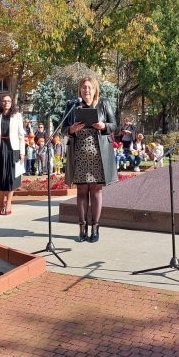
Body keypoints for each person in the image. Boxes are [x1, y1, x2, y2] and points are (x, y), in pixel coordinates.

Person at [63, 77, 118, 243]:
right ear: (80, 90)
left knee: (95, 191)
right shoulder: (72, 106)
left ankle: (95, 228)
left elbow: (115, 125)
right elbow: (64, 128)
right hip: (79, 153)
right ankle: (82, 228)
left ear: (95, 89)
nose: (86, 90)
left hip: (98, 154)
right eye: (83, 88)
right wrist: (71, 129)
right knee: (81, 191)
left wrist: (104, 126)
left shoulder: (103, 103)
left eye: (89, 88)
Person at [0, 95, 25, 215]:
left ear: (12, 103)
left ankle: (8, 204)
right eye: (4, 101)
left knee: (11, 177)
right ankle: (0, 205)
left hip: (13, 149)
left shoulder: (17, 116)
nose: (6, 103)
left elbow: (21, 135)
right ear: (0, 103)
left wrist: (22, 153)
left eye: (8, 101)